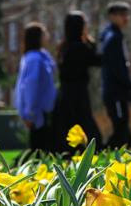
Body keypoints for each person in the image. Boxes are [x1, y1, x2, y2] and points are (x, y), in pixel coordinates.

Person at [54, 11, 102, 153]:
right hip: (79, 94)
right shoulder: (80, 47)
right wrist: (90, 41)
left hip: (65, 94)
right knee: (86, 126)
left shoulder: (64, 48)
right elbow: (98, 60)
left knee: (65, 128)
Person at [13, 22, 57, 152]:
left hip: (43, 112)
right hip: (38, 114)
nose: (47, 36)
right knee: (40, 150)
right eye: (44, 33)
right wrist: (30, 113)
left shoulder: (40, 56)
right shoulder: (35, 59)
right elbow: (30, 86)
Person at [100, 1, 131, 148]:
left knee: (122, 129)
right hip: (116, 92)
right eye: (122, 15)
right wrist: (128, 85)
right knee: (121, 131)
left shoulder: (112, 35)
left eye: (127, 14)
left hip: (115, 90)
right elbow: (117, 67)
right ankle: (103, 156)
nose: (126, 18)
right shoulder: (113, 38)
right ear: (112, 16)